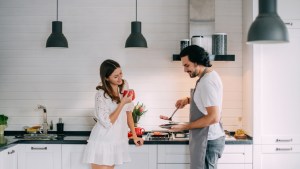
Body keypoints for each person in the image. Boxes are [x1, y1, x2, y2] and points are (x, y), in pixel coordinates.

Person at [161, 45, 225, 169]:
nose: (185, 70)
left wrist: (185, 126)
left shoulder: (207, 82)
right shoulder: (207, 77)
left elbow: (213, 117)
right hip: (207, 139)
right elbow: (207, 101)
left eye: (186, 65)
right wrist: (188, 100)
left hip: (208, 141)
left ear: (196, 62)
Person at [83, 59, 144, 169]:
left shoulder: (124, 86)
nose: (120, 78)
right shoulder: (101, 95)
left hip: (116, 140)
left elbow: (128, 113)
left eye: (120, 73)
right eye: (115, 76)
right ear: (106, 78)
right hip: (103, 141)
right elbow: (107, 122)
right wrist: (122, 103)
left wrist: (135, 136)